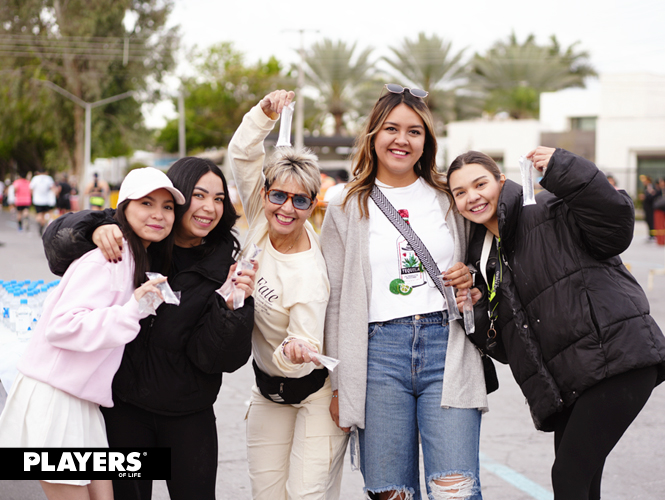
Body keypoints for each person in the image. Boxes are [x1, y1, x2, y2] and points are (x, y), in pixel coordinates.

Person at [446, 147, 665, 500]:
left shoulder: (550, 209)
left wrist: (565, 167)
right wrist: (478, 309)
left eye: (480, 183)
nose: (472, 197)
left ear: (501, 181)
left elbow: (616, 223)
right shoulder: (485, 257)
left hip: (618, 359)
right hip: (573, 381)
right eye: (460, 192)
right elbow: (511, 346)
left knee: (568, 476)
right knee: (582, 481)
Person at [41, 158, 257, 500]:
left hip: (189, 416)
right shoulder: (139, 242)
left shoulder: (225, 267)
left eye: (218, 199)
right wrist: (94, 229)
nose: (209, 207)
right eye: (199, 195)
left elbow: (221, 359)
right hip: (125, 410)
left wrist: (231, 308)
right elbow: (56, 245)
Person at [320, 84, 485, 500]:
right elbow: (335, 298)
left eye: (414, 131)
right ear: (373, 135)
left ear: (426, 140)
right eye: (391, 128)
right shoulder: (343, 202)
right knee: (389, 493)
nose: (402, 140)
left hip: (446, 347)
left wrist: (472, 282)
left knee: (456, 490)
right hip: (377, 355)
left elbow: (483, 266)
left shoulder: (449, 197)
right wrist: (340, 385)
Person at [0, 167, 185, 500]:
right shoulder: (108, 258)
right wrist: (133, 310)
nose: (159, 214)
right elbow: (61, 326)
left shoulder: (132, 258)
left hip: (82, 404)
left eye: (167, 206)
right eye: (147, 203)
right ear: (124, 208)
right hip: (54, 399)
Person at [228, 89, 348, 500]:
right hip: (265, 390)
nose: (286, 208)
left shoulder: (311, 276)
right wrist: (263, 114)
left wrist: (294, 350)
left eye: (300, 200)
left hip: (314, 390)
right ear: (265, 195)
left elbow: (303, 352)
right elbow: (242, 156)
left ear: (313, 205)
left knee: (304, 496)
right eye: (278, 195)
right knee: (266, 495)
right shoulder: (260, 220)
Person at [30, 168, 56, 235]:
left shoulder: (35, 178)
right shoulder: (49, 178)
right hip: (46, 200)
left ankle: (39, 224)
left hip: (37, 200)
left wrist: (33, 196)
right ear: (46, 172)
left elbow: (31, 189)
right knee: (44, 215)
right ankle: (42, 225)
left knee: (39, 214)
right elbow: (52, 188)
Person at [639, 174, 658, 241]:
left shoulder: (650, 187)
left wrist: (645, 197)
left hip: (650, 207)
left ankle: (653, 235)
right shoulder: (646, 187)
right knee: (648, 220)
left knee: (651, 220)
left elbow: (652, 196)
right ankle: (651, 234)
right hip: (647, 207)